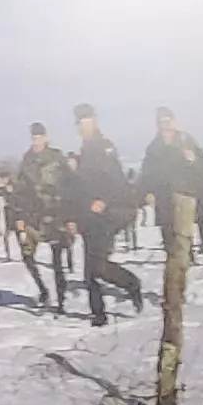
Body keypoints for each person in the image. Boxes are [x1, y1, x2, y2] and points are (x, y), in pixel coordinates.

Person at [69, 104, 143, 324]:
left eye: (87, 121)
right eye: (80, 123)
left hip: (106, 215)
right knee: (89, 271)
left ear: (95, 121)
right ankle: (98, 315)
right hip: (87, 216)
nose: (83, 126)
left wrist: (104, 200)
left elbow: (118, 182)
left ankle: (131, 283)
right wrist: (74, 217)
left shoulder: (104, 147)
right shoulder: (84, 150)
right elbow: (79, 189)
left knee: (98, 266)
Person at [5, 121, 72, 310]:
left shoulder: (57, 158)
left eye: (39, 138)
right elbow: (19, 191)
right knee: (27, 256)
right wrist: (18, 216)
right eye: (33, 138)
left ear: (46, 138)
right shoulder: (26, 161)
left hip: (55, 216)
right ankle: (43, 290)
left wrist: (69, 214)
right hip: (31, 217)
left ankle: (61, 300)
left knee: (57, 261)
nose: (36, 142)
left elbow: (70, 185)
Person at [138, 105, 203, 264]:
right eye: (161, 122)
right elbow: (147, 172)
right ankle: (176, 258)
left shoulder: (186, 141)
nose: (165, 125)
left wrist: (194, 160)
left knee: (182, 235)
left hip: (184, 193)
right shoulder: (154, 147)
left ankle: (184, 259)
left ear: (174, 122)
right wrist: (147, 191)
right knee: (168, 233)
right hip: (163, 196)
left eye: (168, 121)